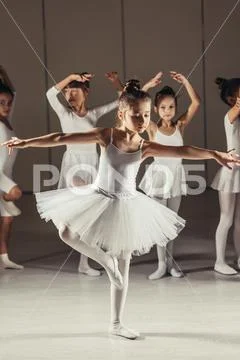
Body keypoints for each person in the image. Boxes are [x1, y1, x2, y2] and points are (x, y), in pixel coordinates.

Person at [2, 80, 238, 339]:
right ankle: (104, 261)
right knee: (67, 232)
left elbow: (182, 150)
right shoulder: (107, 135)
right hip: (98, 196)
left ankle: (116, 323)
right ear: (122, 114)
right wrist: (24, 143)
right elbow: (60, 138)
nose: (142, 120)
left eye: (146, 115)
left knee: (123, 265)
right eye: (136, 115)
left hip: (128, 205)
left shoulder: (144, 146)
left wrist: (215, 154)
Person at [46, 71, 123, 276]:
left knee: (89, 215)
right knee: (78, 210)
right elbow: (49, 94)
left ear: (86, 93)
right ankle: (74, 242)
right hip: (73, 164)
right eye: (67, 92)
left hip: (92, 163)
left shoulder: (93, 115)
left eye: (74, 91)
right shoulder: (65, 114)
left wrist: (116, 82)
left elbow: (121, 100)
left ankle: (84, 262)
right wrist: (71, 76)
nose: (70, 96)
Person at [140, 71, 200, 279]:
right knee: (160, 223)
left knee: (172, 223)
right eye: (163, 107)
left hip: (175, 177)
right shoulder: (152, 127)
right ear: (155, 109)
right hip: (158, 178)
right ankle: (160, 265)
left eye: (171, 107)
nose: (167, 111)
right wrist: (147, 85)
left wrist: (185, 81)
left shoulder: (179, 126)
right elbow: (136, 105)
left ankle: (171, 263)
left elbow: (196, 103)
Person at [211, 77, 240, 275]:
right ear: (231, 99)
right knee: (226, 218)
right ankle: (219, 261)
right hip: (231, 171)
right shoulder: (230, 114)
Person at [0, 65, 23, 270]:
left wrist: (3, 72)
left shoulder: (7, 121)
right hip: (0, 176)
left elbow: (13, 92)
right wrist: (8, 188)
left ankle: (4, 257)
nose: (6, 107)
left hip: (6, 174)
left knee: (7, 218)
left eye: (8, 104)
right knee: (14, 195)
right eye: (1, 103)